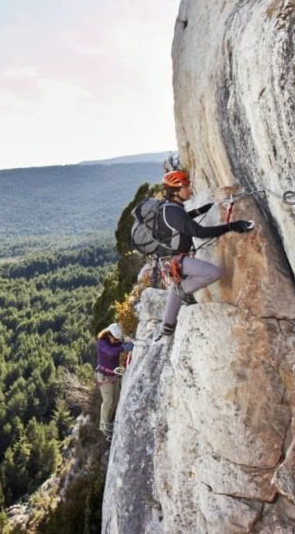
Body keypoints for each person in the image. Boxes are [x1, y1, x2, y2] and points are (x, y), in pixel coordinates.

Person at [157, 170, 254, 336]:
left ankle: (167, 326)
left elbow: (184, 219)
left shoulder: (171, 208)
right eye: (186, 186)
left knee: (178, 289)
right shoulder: (172, 210)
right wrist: (232, 226)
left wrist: (203, 209)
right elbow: (199, 232)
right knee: (213, 273)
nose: (190, 188)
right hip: (175, 261)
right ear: (176, 191)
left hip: (171, 259)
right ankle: (180, 292)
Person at [96, 322, 133, 439]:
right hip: (104, 376)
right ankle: (104, 427)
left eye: (117, 340)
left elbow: (122, 343)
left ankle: (109, 422)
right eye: (114, 339)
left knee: (115, 401)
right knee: (108, 402)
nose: (116, 341)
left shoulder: (115, 341)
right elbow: (110, 351)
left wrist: (128, 343)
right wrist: (123, 348)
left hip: (114, 375)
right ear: (108, 335)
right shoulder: (101, 343)